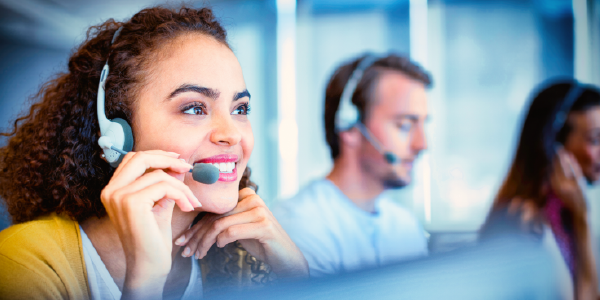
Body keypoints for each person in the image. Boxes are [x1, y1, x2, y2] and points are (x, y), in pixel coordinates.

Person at [0, 6, 308, 300]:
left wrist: (297, 275)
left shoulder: (233, 258)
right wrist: (144, 282)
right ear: (117, 132)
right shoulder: (22, 264)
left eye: (240, 109)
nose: (231, 134)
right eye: (194, 108)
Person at [269, 54, 432, 277]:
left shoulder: (404, 225)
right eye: (404, 125)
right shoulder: (299, 226)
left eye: (423, 124)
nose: (422, 144)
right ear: (350, 127)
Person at [481, 79, 600, 300]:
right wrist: (584, 218)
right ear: (554, 145)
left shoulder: (565, 213)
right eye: (595, 139)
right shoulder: (525, 222)